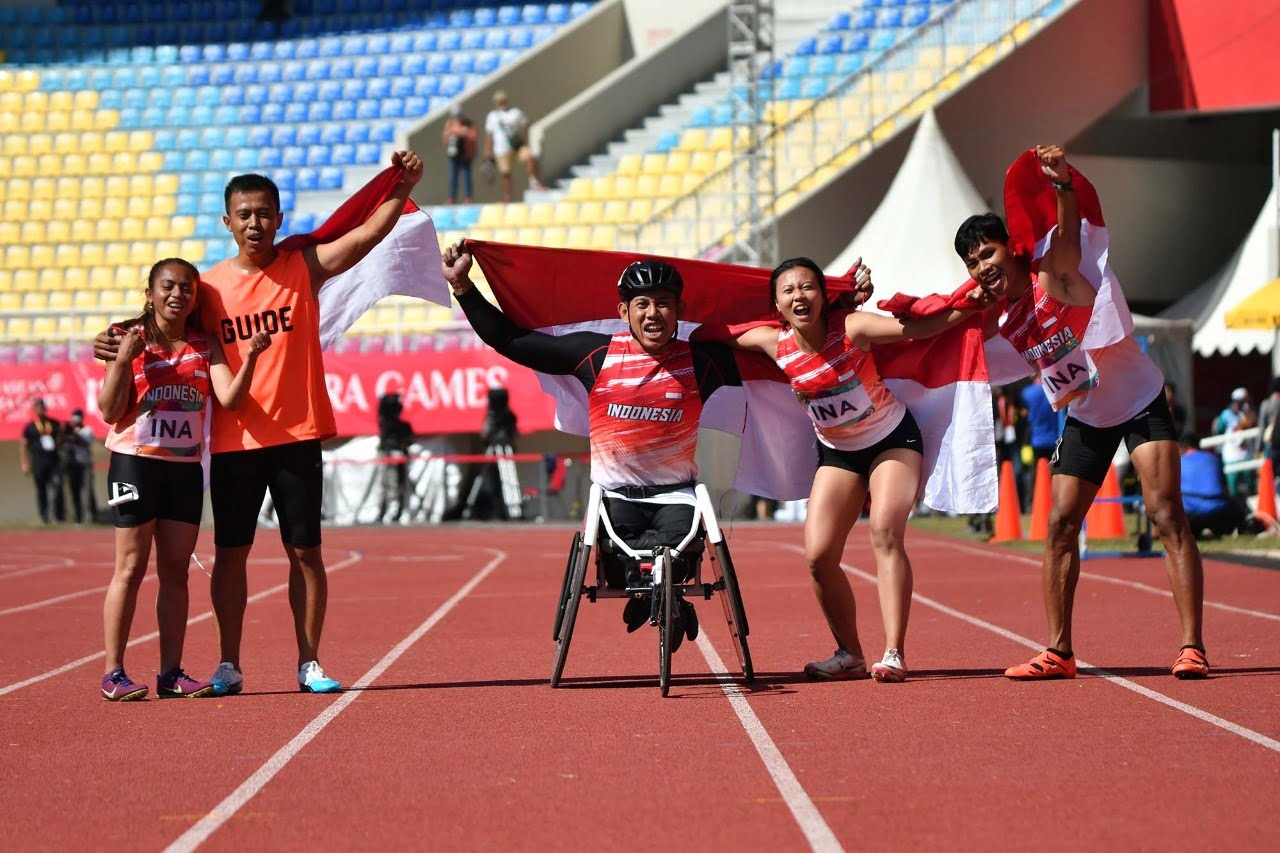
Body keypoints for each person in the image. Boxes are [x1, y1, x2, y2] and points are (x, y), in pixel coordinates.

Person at [95, 150, 424, 696]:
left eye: (264, 213)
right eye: (244, 214)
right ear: (227, 222)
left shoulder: (302, 267)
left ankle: (309, 661)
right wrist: (107, 339)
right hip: (234, 441)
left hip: (297, 433)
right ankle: (228, 663)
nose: (255, 223)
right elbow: (159, 320)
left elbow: (366, 237)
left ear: (278, 218)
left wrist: (403, 185)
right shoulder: (208, 290)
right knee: (231, 555)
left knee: (306, 553)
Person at [955, 143, 1208, 680]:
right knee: (1059, 525)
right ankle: (1059, 652)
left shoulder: (1053, 276)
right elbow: (950, 338)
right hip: (1088, 417)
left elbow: (1069, 238)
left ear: (1011, 249)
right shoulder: (1006, 321)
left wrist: (1064, 186)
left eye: (988, 254)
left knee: (1166, 514)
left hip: (1139, 400)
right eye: (972, 263)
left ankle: (1192, 647)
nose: (982, 268)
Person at [443, 247, 744, 649]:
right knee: (627, 558)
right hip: (614, 498)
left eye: (663, 303)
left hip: (678, 497)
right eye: (642, 304)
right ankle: (657, 596)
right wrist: (463, 286)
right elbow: (511, 340)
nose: (653, 314)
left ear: (679, 310)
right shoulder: (597, 355)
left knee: (675, 551)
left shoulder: (702, 362)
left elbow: (766, 351)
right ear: (624, 312)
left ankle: (658, 594)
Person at [726, 257, 987, 682]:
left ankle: (894, 653)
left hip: (891, 440)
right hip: (839, 454)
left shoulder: (852, 328)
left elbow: (918, 329)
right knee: (818, 557)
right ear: (776, 306)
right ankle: (849, 654)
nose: (799, 296)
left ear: (823, 295)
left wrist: (971, 305)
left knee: (884, 531)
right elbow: (716, 331)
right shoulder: (773, 342)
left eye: (808, 287)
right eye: (788, 290)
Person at [97, 258, 269, 701]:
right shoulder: (126, 336)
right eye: (168, 287)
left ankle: (170, 673)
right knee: (130, 567)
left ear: (195, 298)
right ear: (150, 293)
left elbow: (229, 398)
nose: (177, 295)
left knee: (176, 572)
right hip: (135, 463)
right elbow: (110, 411)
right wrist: (123, 361)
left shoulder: (204, 343)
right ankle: (114, 672)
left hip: (184, 470)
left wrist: (250, 357)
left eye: (187, 289)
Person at [1179, 433, 1246, 539]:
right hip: (1218, 513)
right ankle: (1214, 530)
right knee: (1237, 506)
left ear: (1182, 448)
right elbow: (1225, 487)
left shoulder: (1178, 462)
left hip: (1190, 517)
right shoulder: (1214, 459)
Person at [483, 90, 542, 202]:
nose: (501, 103)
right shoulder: (492, 116)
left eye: (503, 101)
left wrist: (524, 141)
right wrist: (487, 151)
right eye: (499, 101)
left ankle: (534, 182)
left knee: (529, 157)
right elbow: (489, 134)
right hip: (501, 148)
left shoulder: (515, 112)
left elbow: (525, 124)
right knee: (505, 173)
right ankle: (507, 197)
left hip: (516, 145)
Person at [19, 398, 65, 524]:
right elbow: (24, 445)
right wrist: (25, 463)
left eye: (42, 407)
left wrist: (61, 434)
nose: (40, 410)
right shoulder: (30, 427)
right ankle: (44, 517)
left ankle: (59, 516)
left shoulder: (54, 424)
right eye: (37, 407)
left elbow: (60, 442)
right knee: (41, 490)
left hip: (53, 461)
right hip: (38, 462)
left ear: (45, 408)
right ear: (34, 410)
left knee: (57, 485)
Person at [1020, 375, 1060, 504]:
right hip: (1054, 437)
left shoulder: (1027, 392)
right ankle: (1053, 500)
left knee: (1035, 472)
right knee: (1054, 473)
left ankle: (1033, 501)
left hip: (1036, 438)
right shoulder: (1054, 390)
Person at [376, 390, 414, 523]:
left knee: (399, 485)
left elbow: (409, 440)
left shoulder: (403, 427)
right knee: (387, 484)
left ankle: (398, 509)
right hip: (387, 457)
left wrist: (401, 447)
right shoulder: (386, 423)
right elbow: (382, 410)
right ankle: (385, 510)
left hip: (400, 459)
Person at [1214, 387, 1255, 496]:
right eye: (1241, 401)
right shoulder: (1225, 414)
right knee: (1233, 491)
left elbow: (1253, 424)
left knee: (1251, 487)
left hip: (1246, 456)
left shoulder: (1248, 413)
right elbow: (1219, 430)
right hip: (1232, 457)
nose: (1243, 404)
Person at [62, 408, 97, 525]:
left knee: (86, 491)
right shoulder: (69, 431)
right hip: (71, 465)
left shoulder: (87, 430)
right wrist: (64, 432)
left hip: (84, 464)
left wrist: (74, 434)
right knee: (74, 491)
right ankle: (77, 517)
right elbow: (60, 443)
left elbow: (85, 443)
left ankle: (90, 516)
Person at [442, 103, 477, 205]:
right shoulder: (450, 123)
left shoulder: (468, 123)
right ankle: (451, 198)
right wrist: (457, 132)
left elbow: (473, 136)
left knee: (467, 177)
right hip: (454, 154)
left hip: (466, 154)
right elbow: (445, 137)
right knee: (453, 177)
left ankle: (468, 197)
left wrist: (461, 133)